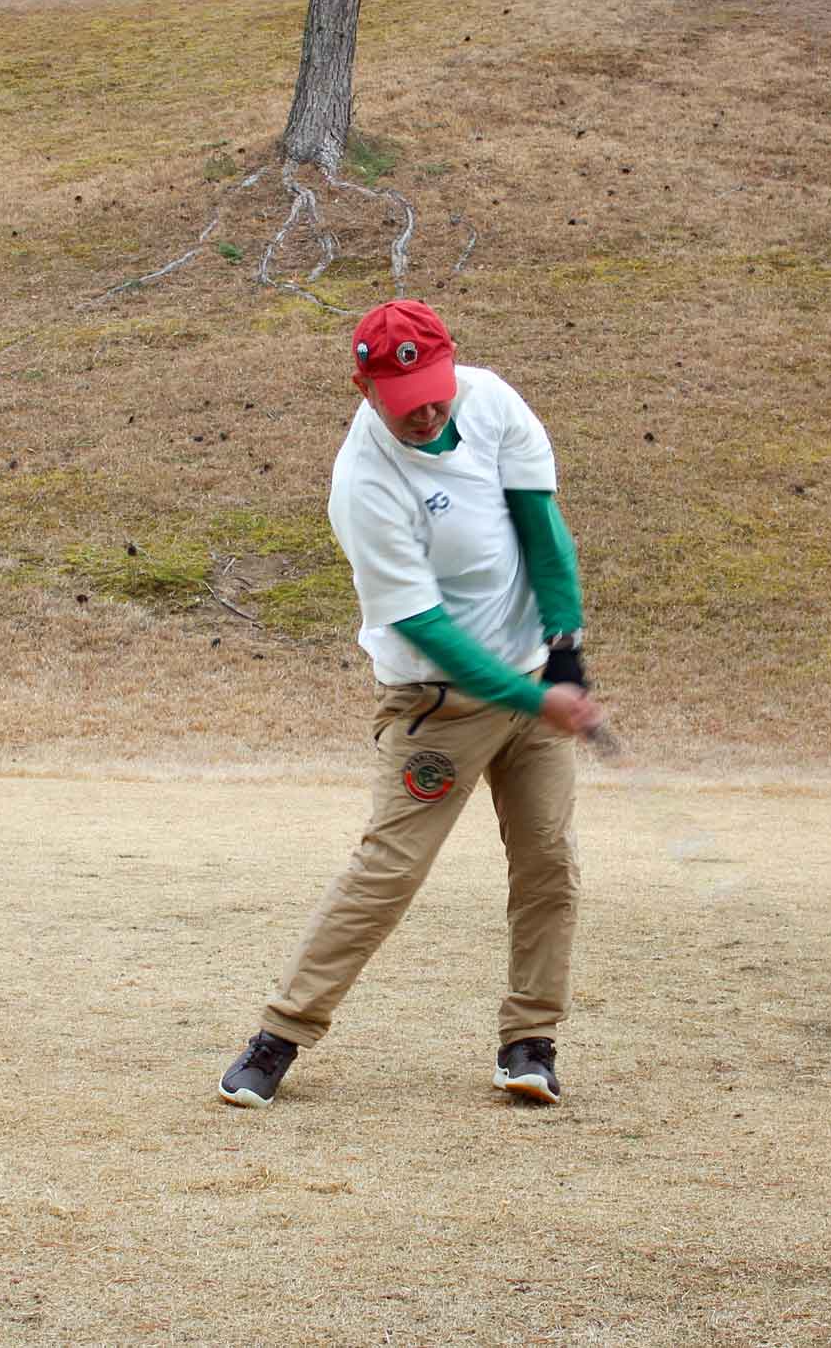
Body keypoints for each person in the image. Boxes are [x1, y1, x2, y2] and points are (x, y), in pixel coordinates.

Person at [220, 299, 606, 1110]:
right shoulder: (363, 482)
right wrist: (533, 694)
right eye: (405, 405)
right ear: (365, 391)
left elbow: (544, 529)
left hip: (533, 678)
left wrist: (564, 653)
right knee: (387, 871)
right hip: (438, 701)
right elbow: (425, 626)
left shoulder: (492, 401)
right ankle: (279, 1033)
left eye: (435, 393)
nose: (426, 413)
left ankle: (529, 1042)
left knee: (548, 862)